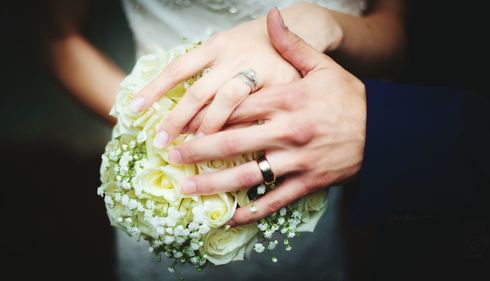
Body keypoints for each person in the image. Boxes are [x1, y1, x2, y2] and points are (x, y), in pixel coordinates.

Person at [46, 1, 407, 280]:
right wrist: (154, 124)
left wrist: (326, 23)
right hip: (173, 179)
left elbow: (395, 33)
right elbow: (58, 35)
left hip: (310, 170)